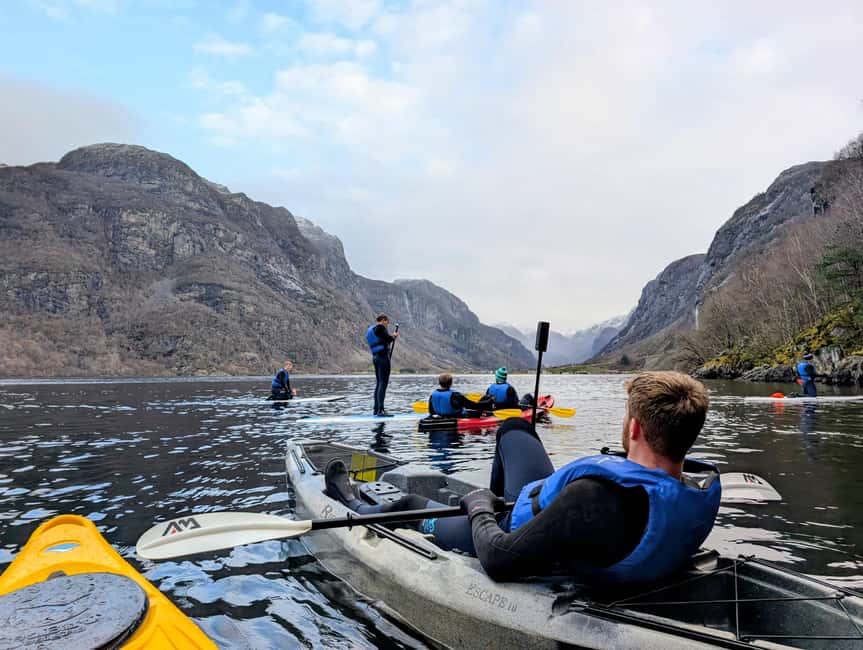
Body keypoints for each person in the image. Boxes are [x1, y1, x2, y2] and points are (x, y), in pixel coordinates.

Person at [325, 371, 720, 585]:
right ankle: (495, 498)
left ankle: (352, 502)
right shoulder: (695, 488)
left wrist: (480, 508)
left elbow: (499, 560)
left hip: (511, 533)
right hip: (539, 503)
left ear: (634, 428)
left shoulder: (593, 499)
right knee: (514, 428)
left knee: (411, 505)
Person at [366, 314, 399, 416]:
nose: (387, 324)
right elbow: (388, 339)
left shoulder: (372, 329)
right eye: (387, 322)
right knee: (383, 383)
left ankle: (376, 409)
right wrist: (393, 336)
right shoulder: (381, 328)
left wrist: (391, 337)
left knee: (379, 383)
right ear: (383, 320)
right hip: (383, 358)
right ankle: (381, 410)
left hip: (376, 357)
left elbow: (384, 339)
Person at [429, 373, 494, 417]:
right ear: (451, 383)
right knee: (486, 398)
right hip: (456, 417)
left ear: (439, 383)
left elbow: (431, 411)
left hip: (440, 416)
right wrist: (489, 401)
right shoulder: (456, 396)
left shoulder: (433, 395)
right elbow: (474, 406)